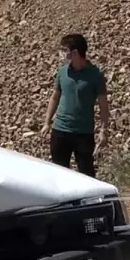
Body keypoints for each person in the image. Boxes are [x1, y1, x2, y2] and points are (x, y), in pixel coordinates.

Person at [45, 34, 109, 177]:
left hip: (83, 132)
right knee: (59, 172)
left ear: (75, 52)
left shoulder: (95, 75)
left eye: (64, 50)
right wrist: (47, 122)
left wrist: (103, 130)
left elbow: (103, 105)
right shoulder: (62, 72)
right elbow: (55, 97)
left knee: (86, 173)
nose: (61, 53)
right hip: (60, 130)